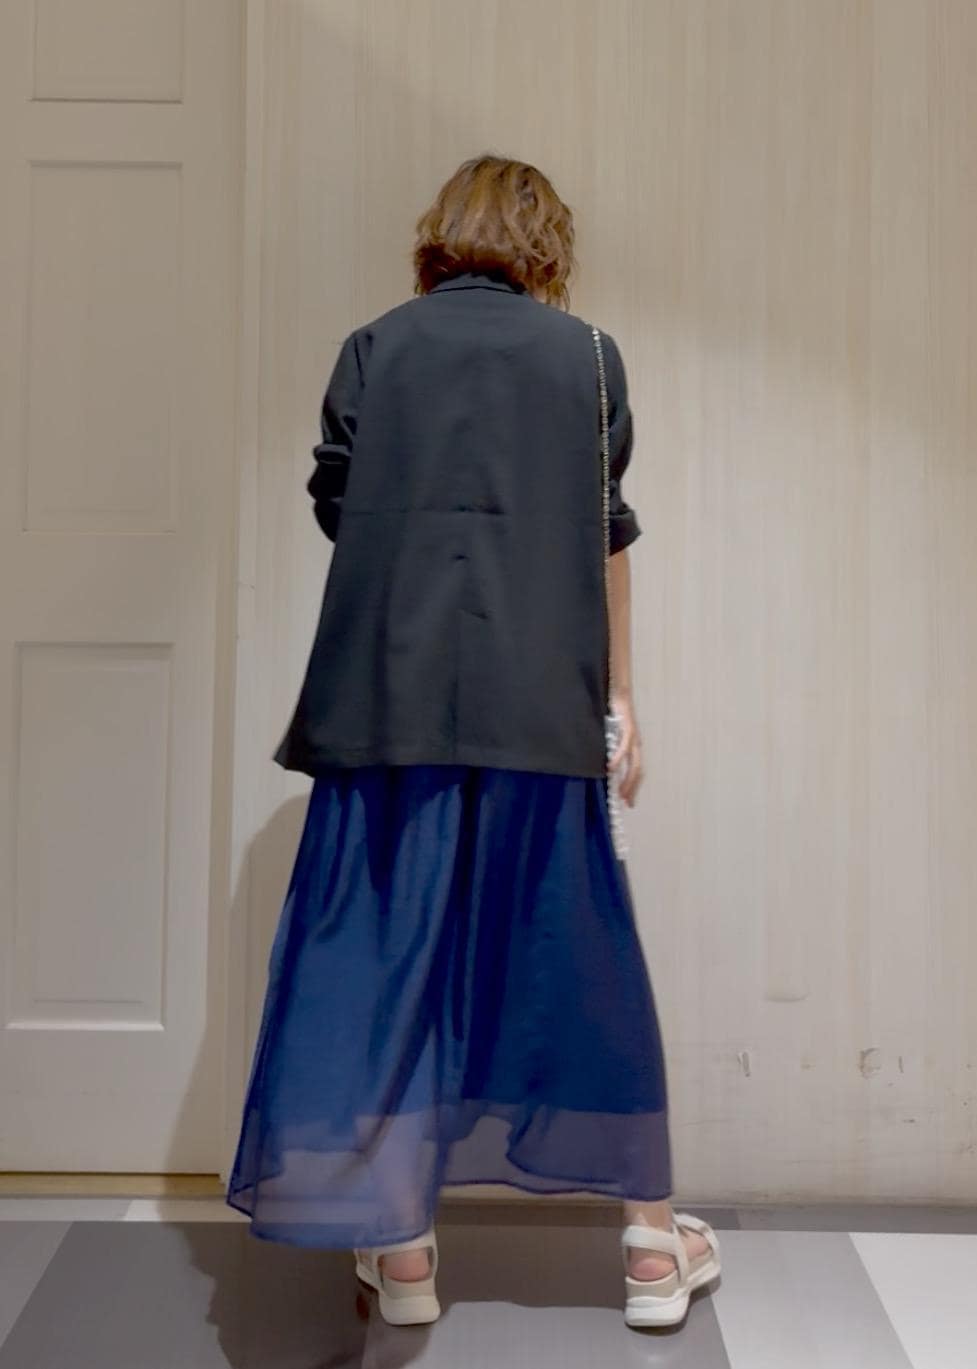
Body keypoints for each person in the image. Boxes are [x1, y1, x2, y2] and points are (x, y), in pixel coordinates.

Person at [225, 154, 721, 1329]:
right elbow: (604, 534)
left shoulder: (373, 349)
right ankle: (650, 1248)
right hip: (540, 704)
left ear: (439, 236)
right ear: (544, 245)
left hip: (386, 706)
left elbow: (339, 505)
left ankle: (402, 1254)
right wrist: (621, 697)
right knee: (580, 963)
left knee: (383, 962)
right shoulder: (588, 359)